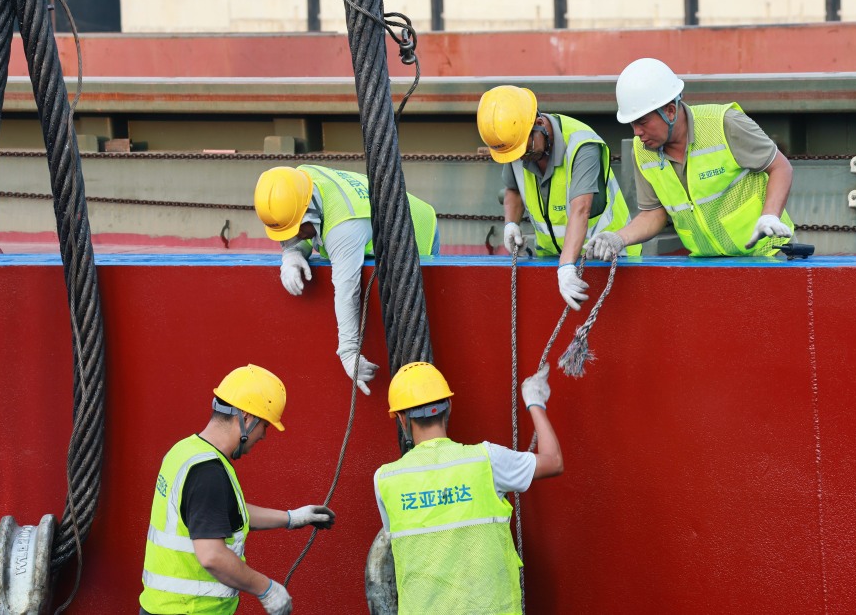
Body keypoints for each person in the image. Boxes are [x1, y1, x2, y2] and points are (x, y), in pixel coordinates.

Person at [139, 364, 336, 615]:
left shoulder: (185, 451)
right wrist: (266, 589)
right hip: (192, 610)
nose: (263, 436)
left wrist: (291, 518)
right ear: (246, 418)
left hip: (162, 607)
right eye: (265, 426)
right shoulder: (208, 472)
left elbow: (217, 513)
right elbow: (212, 556)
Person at [373, 361, 563, 614]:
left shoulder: (385, 479)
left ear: (401, 419)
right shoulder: (488, 460)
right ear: (449, 407)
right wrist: (535, 402)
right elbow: (554, 462)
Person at [254, 165, 439, 394]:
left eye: (297, 230)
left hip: (417, 230)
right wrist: (292, 253)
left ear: (309, 212)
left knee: (416, 328)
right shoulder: (298, 183)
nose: (293, 237)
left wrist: (349, 353)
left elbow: (346, 289)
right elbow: (298, 229)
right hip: (371, 219)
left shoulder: (344, 227)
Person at [586, 58, 795, 260]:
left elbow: (780, 167)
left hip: (770, 253)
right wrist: (618, 238)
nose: (637, 132)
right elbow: (653, 214)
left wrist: (770, 216)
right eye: (632, 124)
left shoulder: (724, 124)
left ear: (670, 111)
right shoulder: (641, 151)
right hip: (709, 263)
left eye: (642, 122)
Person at [476, 85, 641, 311]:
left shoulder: (582, 145)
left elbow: (581, 208)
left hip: (610, 259)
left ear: (540, 124)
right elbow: (513, 189)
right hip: (553, 262)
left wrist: (566, 267)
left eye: (526, 150)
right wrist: (511, 225)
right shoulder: (517, 144)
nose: (522, 158)